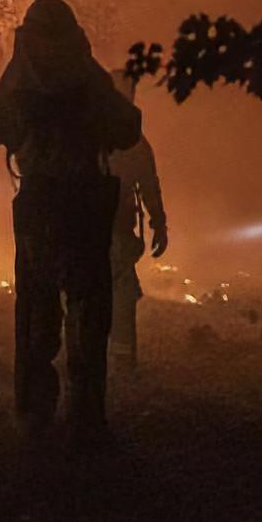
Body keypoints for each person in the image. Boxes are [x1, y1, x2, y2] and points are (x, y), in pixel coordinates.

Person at [0, 0, 141, 446]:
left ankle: (35, 414)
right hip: (85, 205)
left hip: (40, 206)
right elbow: (128, 128)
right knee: (89, 314)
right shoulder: (89, 80)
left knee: (35, 314)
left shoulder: (18, 82)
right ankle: (85, 416)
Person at [107, 73, 168, 371]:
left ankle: (98, 355)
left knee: (101, 289)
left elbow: (148, 185)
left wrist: (159, 224)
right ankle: (120, 357)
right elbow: (148, 186)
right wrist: (159, 225)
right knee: (121, 290)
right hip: (110, 228)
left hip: (100, 227)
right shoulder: (133, 140)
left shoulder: (84, 132)